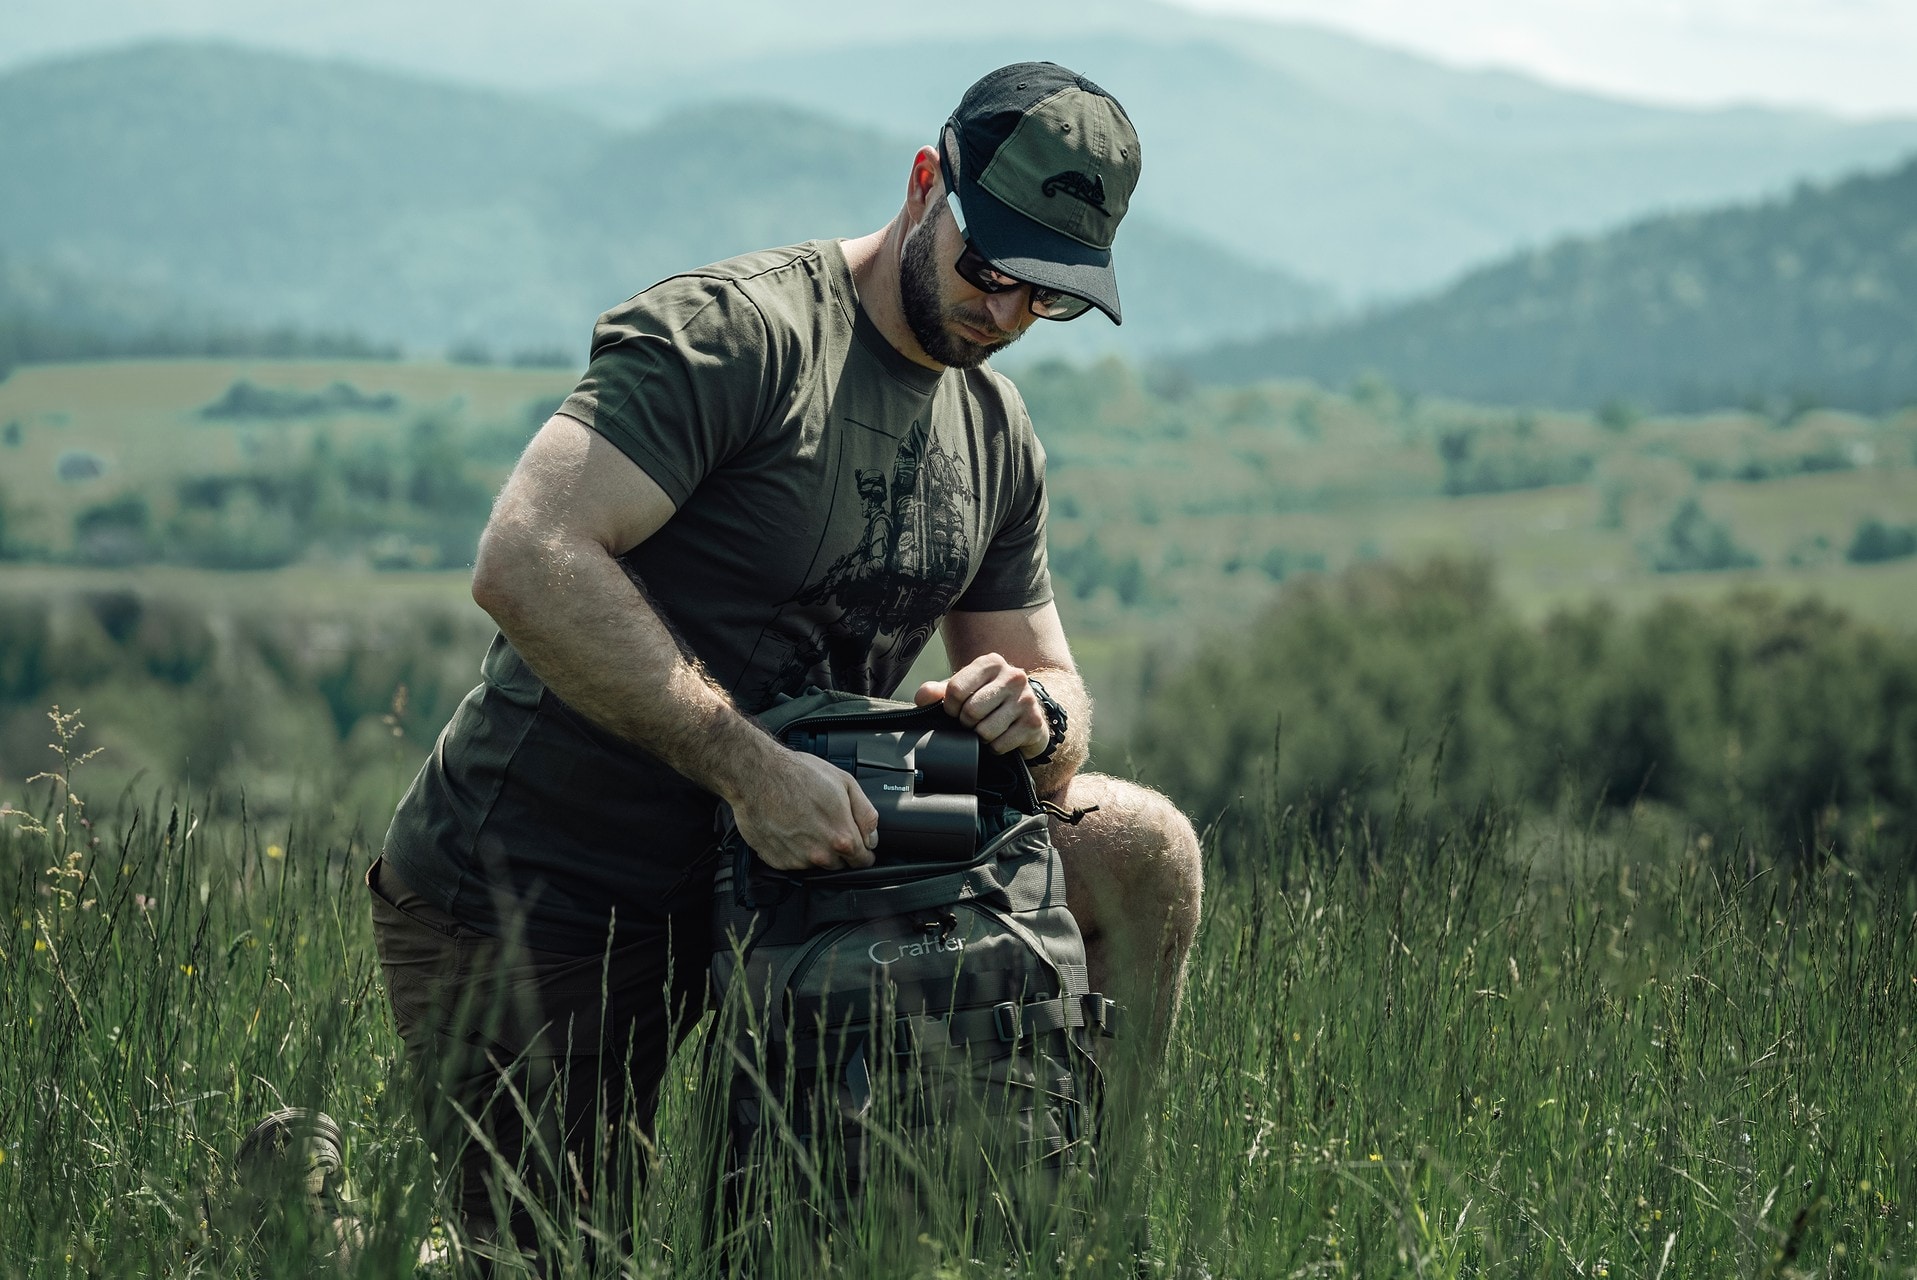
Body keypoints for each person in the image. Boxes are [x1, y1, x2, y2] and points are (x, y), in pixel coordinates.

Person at [365, 61, 1204, 1255]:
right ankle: (307, 1222)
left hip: (816, 882)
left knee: (1140, 845)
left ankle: (1086, 1236)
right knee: (551, 1254)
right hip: (550, 879)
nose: (1006, 314)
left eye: (1049, 299)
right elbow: (525, 553)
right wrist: (746, 767)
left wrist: (1036, 719)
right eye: (989, 267)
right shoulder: (742, 335)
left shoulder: (995, 433)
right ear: (927, 184)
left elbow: (1060, 691)